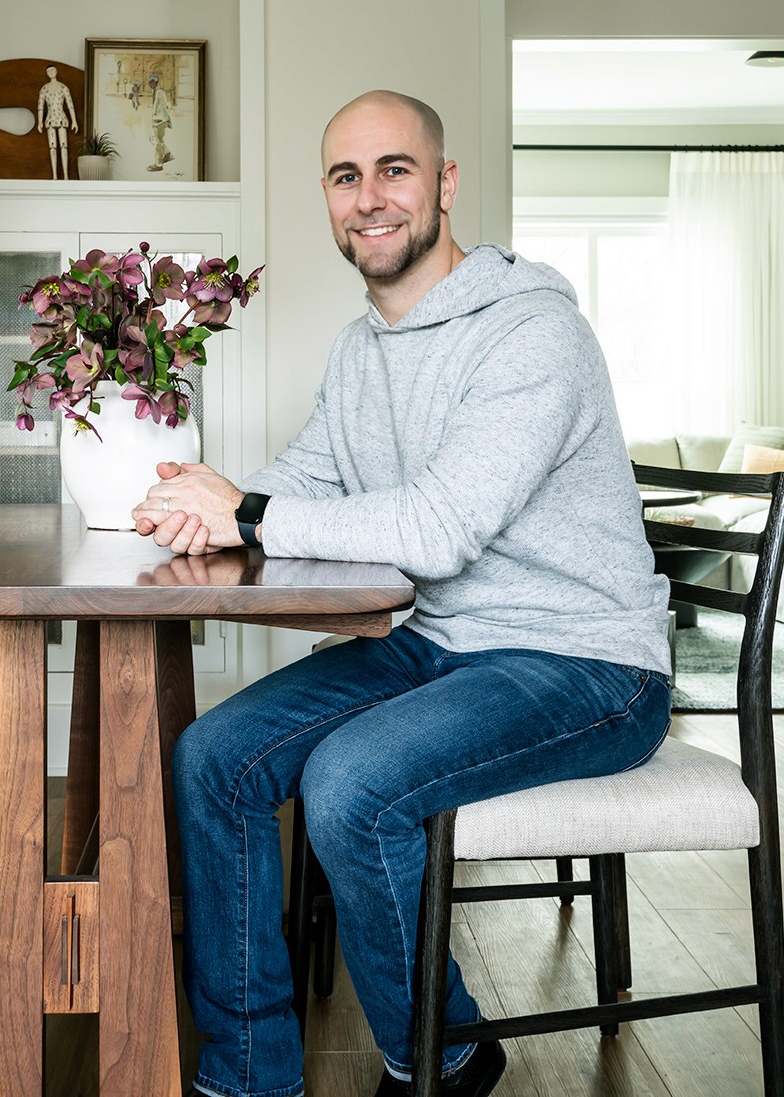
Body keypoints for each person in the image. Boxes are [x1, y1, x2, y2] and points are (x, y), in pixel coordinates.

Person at [132, 91, 670, 1097]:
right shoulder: (358, 348)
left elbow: (436, 528)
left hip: (588, 663)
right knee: (213, 757)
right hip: (447, 645)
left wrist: (245, 511)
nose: (369, 198)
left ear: (444, 184)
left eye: (394, 170)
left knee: (349, 785)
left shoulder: (530, 333)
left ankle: (444, 1058)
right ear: (327, 200)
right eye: (345, 176)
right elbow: (307, 482)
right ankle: (247, 1076)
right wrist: (194, 500)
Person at [37, 64, 79, 179]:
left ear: (56, 71)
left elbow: (70, 105)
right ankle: (55, 175)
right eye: (48, 71)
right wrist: (39, 122)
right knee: (52, 147)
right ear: (47, 74)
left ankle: (66, 175)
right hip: (50, 119)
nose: (51, 72)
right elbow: (40, 107)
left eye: (52, 70)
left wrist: (74, 121)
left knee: (64, 146)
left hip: (61, 118)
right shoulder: (44, 89)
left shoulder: (63, 87)